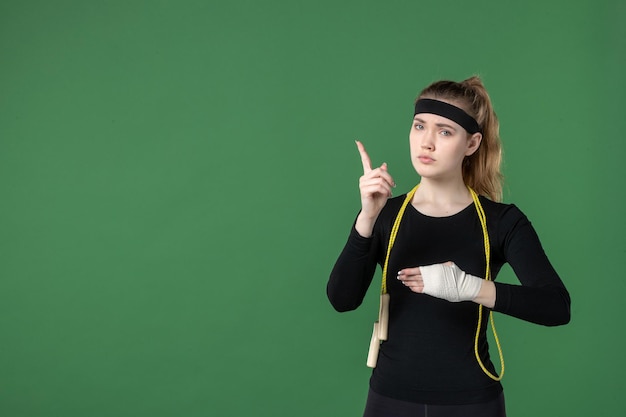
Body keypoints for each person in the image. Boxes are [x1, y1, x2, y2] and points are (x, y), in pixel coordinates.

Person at [327, 76, 571, 417]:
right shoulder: (385, 214)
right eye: (419, 126)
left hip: (472, 402)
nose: (426, 142)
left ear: (471, 144)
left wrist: (469, 287)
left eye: (444, 131)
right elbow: (342, 300)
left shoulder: (501, 222)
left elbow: (557, 307)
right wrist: (366, 219)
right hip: (390, 399)